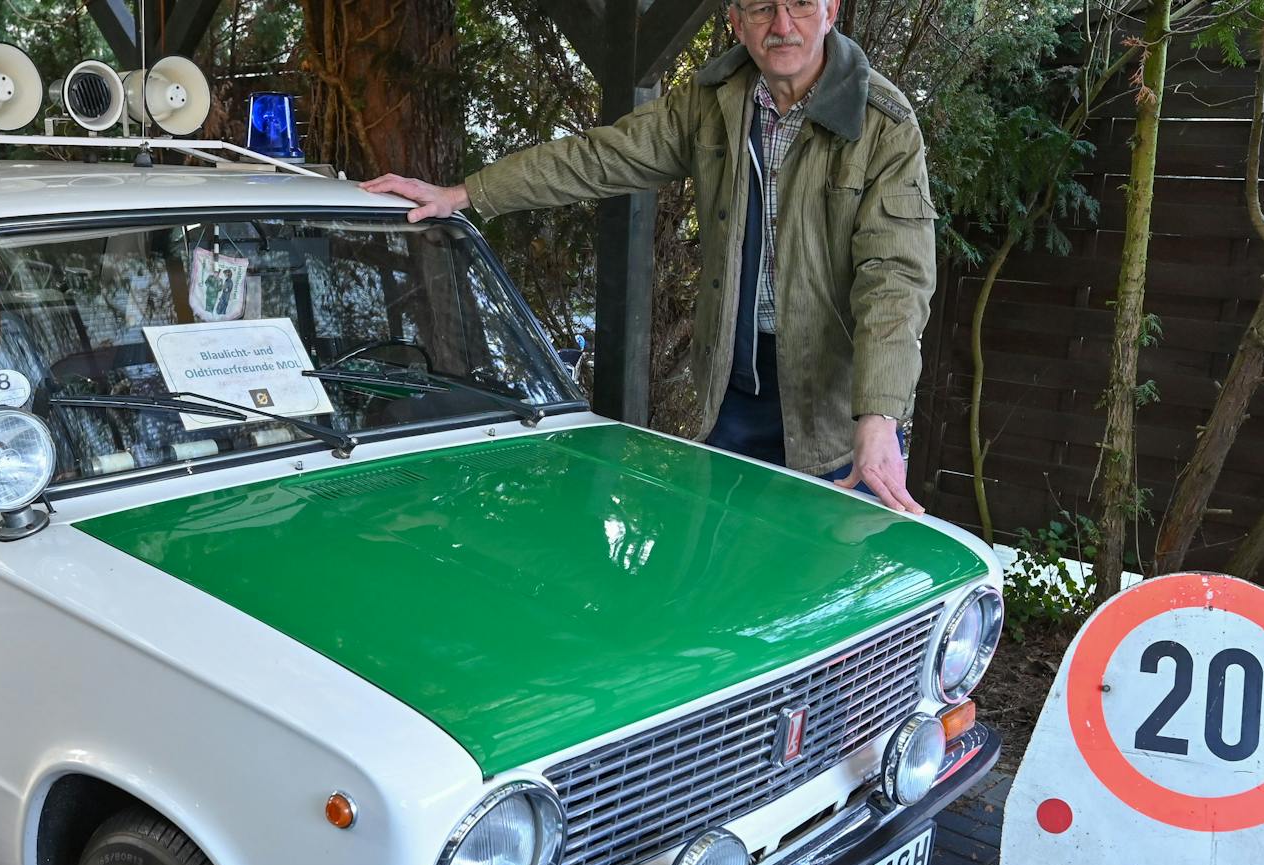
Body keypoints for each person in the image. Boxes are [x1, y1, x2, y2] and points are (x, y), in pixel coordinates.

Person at [362, 0, 935, 512]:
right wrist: (464, 195)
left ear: (831, 10)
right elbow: (599, 157)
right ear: (735, 21)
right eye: (761, 9)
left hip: (838, 413)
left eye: (800, 6)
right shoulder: (713, 103)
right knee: (723, 583)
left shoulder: (883, 124)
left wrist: (878, 418)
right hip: (734, 395)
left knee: (827, 591)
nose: (782, 25)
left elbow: (894, 281)